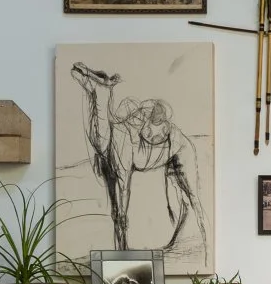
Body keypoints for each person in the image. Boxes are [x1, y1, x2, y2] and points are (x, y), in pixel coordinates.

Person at [70, 62, 208, 263]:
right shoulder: (99, 103)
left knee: (193, 198)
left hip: (168, 148)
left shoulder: (108, 100)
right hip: (109, 132)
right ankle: (122, 251)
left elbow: (124, 188)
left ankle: (206, 244)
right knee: (116, 205)